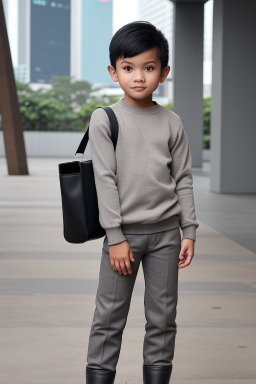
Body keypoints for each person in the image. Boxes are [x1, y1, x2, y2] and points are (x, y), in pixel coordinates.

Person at [85, 21, 199, 384]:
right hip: (124, 239)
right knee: (109, 318)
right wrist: (115, 237)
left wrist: (189, 230)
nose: (139, 77)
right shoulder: (105, 119)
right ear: (113, 72)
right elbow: (104, 179)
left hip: (167, 235)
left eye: (149, 68)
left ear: (164, 73)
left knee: (163, 318)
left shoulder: (172, 122)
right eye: (128, 67)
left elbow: (182, 178)